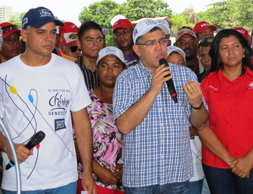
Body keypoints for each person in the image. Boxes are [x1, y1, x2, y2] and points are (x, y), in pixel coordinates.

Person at [0, 6, 96, 194]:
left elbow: (82, 124)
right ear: (25, 34)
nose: (49, 38)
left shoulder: (70, 70)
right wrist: (8, 146)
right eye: (41, 32)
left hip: (65, 179)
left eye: (52, 32)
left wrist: (87, 172)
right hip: (21, 181)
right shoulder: (1, 74)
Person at [113, 19, 208, 194]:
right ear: (137, 50)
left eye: (162, 41)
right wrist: (152, 91)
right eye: (150, 43)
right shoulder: (126, 78)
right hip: (141, 179)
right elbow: (124, 126)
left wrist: (197, 105)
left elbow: (200, 123)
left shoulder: (186, 75)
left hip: (177, 175)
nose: (159, 47)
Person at [198, 29, 253, 194]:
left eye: (235, 46)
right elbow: (202, 126)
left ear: (243, 50)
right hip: (216, 161)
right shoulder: (207, 83)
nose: (231, 52)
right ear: (218, 55)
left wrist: (249, 160)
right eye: (224, 48)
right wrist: (231, 161)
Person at [76, 46, 126, 194]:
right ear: (97, 70)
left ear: (124, 70)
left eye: (116, 66)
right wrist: (98, 170)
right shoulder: (84, 101)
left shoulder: (132, 101)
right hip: (92, 180)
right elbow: (74, 141)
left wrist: (128, 166)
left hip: (127, 180)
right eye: (104, 65)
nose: (110, 71)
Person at [166, 46, 205, 194]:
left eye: (180, 63)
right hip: (164, 167)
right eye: (171, 63)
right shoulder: (153, 91)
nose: (176, 68)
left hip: (193, 162)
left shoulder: (196, 88)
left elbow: (204, 123)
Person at [76, 21, 104, 90]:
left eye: (99, 40)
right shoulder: (73, 71)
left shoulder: (108, 70)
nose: (95, 44)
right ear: (79, 44)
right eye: (89, 40)